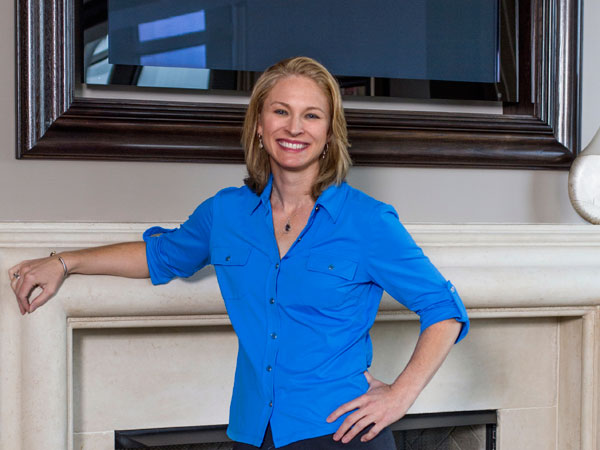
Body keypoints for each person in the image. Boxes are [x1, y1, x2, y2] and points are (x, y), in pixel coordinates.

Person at [9, 56, 469, 449]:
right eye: (281, 111)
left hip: (340, 433)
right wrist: (65, 262)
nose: (294, 127)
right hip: (252, 432)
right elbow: (159, 256)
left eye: (311, 115)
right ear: (260, 125)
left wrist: (400, 396)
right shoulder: (225, 214)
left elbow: (444, 309)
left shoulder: (367, 221)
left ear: (330, 133)